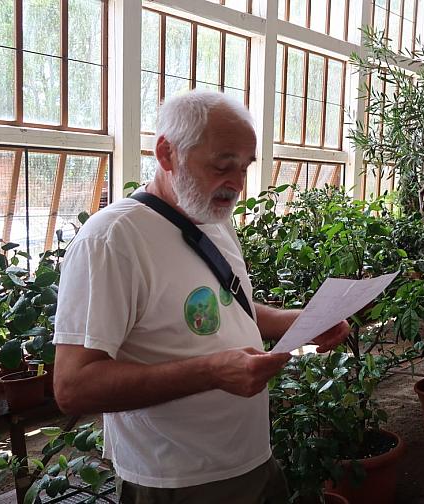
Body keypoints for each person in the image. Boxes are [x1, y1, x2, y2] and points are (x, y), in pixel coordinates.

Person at [53, 90, 350, 503]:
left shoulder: (212, 218)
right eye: (221, 166)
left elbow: (225, 306)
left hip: (252, 458)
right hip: (177, 480)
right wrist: (211, 372)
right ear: (167, 153)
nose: (236, 185)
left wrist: (299, 321)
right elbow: (73, 387)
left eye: (244, 168)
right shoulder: (111, 240)